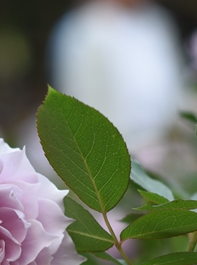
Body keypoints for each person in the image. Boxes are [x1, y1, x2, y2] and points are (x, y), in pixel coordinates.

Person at [49, 0, 185, 153]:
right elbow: (80, 105)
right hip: (116, 153)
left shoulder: (158, 21)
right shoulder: (82, 29)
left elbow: (176, 85)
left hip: (168, 152)